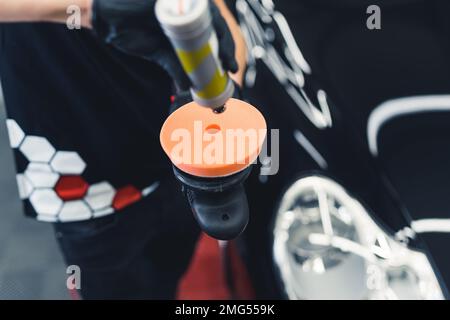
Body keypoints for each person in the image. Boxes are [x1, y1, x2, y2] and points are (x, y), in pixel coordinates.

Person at [0, 0, 246, 299]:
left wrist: (226, 76)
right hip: (81, 172)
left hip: (175, 137)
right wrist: (88, 7)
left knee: (168, 275)